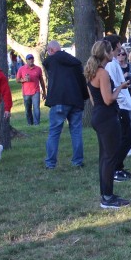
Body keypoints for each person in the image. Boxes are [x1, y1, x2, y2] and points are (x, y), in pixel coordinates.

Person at [84, 41, 131, 209]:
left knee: (104, 157)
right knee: (110, 158)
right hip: (107, 118)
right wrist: (120, 87)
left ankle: (106, 194)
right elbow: (108, 99)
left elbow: (93, 99)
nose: (114, 53)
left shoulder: (91, 71)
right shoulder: (102, 73)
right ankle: (108, 198)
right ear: (105, 54)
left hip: (98, 116)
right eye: (111, 51)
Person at [42, 40, 88, 169]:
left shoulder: (51, 61)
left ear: (51, 50)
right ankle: (77, 161)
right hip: (76, 99)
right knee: (76, 131)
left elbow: (46, 63)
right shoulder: (75, 61)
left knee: (54, 132)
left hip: (59, 100)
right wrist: (84, 96)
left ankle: (50, 163)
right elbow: (82, 81)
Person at [104, 38, 131, 181]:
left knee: (127, 139)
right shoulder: (111, 65)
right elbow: (114, 86)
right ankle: (115, 168)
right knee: (125, 139)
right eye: (119, 44)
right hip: (120, 105)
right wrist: (122, 101)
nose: (120, 46)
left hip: (124, 104)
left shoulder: (114, 63)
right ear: (114, 46)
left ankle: (119, 166)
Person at [16, 53, 46, 126]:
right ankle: (30, 123)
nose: (31, 60)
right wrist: (24, 80)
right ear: (26, 60)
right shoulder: (21, 69)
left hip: (36, 91)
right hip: (26, 92)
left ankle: (37, 124)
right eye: (29, 59)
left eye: (32, 59)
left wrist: (44, 91)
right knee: (28, 109)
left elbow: (41, 81)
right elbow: (17, 80)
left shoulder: (38, 69)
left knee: (36, 108)